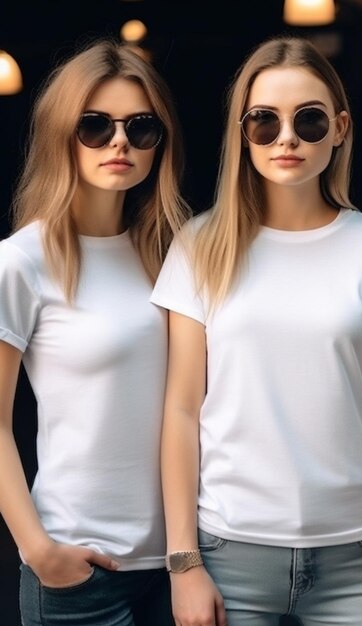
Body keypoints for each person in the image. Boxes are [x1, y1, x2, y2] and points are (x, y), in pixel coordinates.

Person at [150, 35, 362, 626]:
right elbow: (181, 409)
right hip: (229, 551)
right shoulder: (200, 246)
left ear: (340, 128)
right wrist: (184, 563)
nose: (287, 138)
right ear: (241, 132)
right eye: (264, 121)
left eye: (308, 120)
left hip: (358, 554)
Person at [0, 38, 191, 625]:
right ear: (63, 133)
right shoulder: (22, 261)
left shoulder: (175, 254)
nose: (120, 143)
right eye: (95, 125)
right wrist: (38, 549)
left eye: (141, 128)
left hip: (184, 565)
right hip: (79, 571)